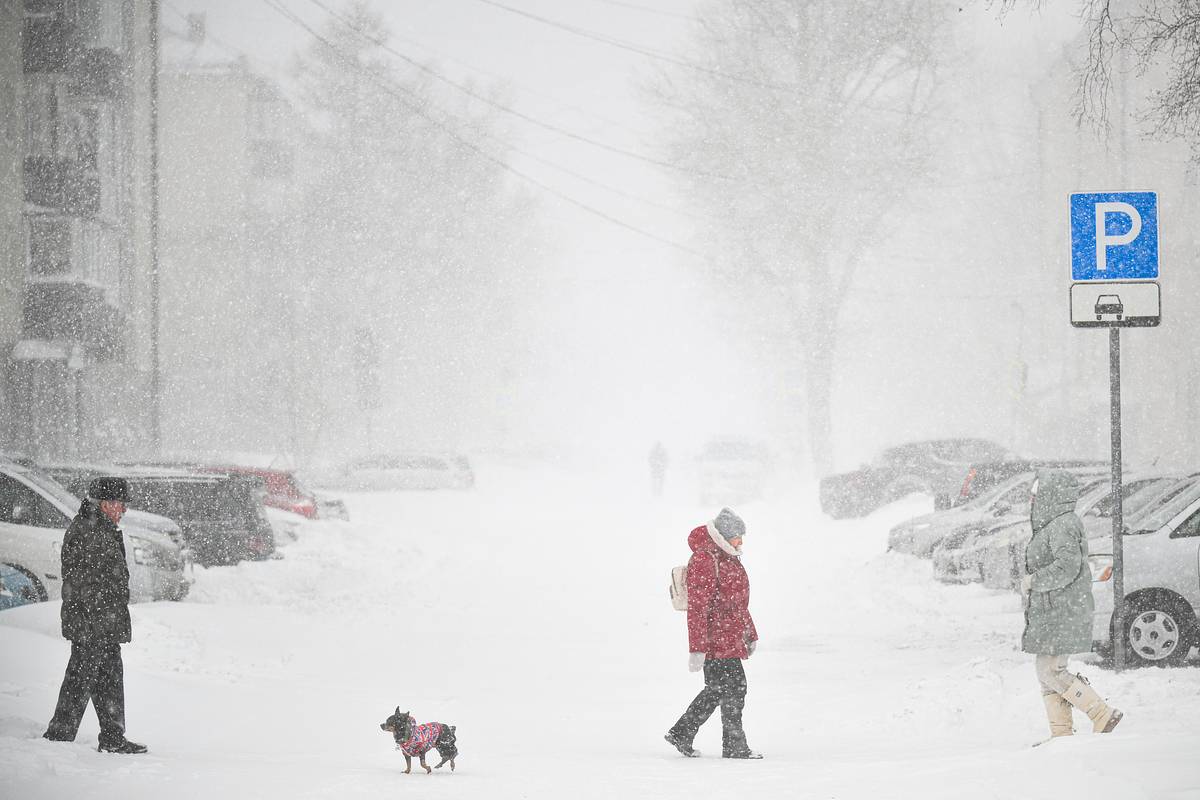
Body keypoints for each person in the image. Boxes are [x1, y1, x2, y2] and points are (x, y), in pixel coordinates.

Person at [43, 477, 148, 754]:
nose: (123, 510)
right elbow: (82, 583)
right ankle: (59, 736)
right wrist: (97, 619)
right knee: (80, 678)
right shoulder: (88, 532)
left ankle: (113, 737)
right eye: (120, 504)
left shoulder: (102, 528)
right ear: (105, 504)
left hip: (103, 621)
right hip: (91, 623)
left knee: (109, 678)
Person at [1022, 471, 1122, 741]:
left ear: (1051, 495)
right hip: (1051, 610)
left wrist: (1034, 580)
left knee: (1051, 670)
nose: (1032, 497)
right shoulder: (1053, 524)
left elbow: (1067, 567)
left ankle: (1101, 712)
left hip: (1061, 610)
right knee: (1046, 673)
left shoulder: (1062, 524)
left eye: (1037, 492)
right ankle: (1061, 734)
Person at [665, 507, 761, 759]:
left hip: (729, 636)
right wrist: (696, 648)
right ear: (723, 536)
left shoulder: (729, 557)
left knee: (720, 689)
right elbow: (697, 608)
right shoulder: (705, 560)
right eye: (736, 537)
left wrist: (750, 633)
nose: (741, 542)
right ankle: (732, 745)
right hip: (714, 638)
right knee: (731, 688)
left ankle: (684, 733)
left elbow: (738, 602)